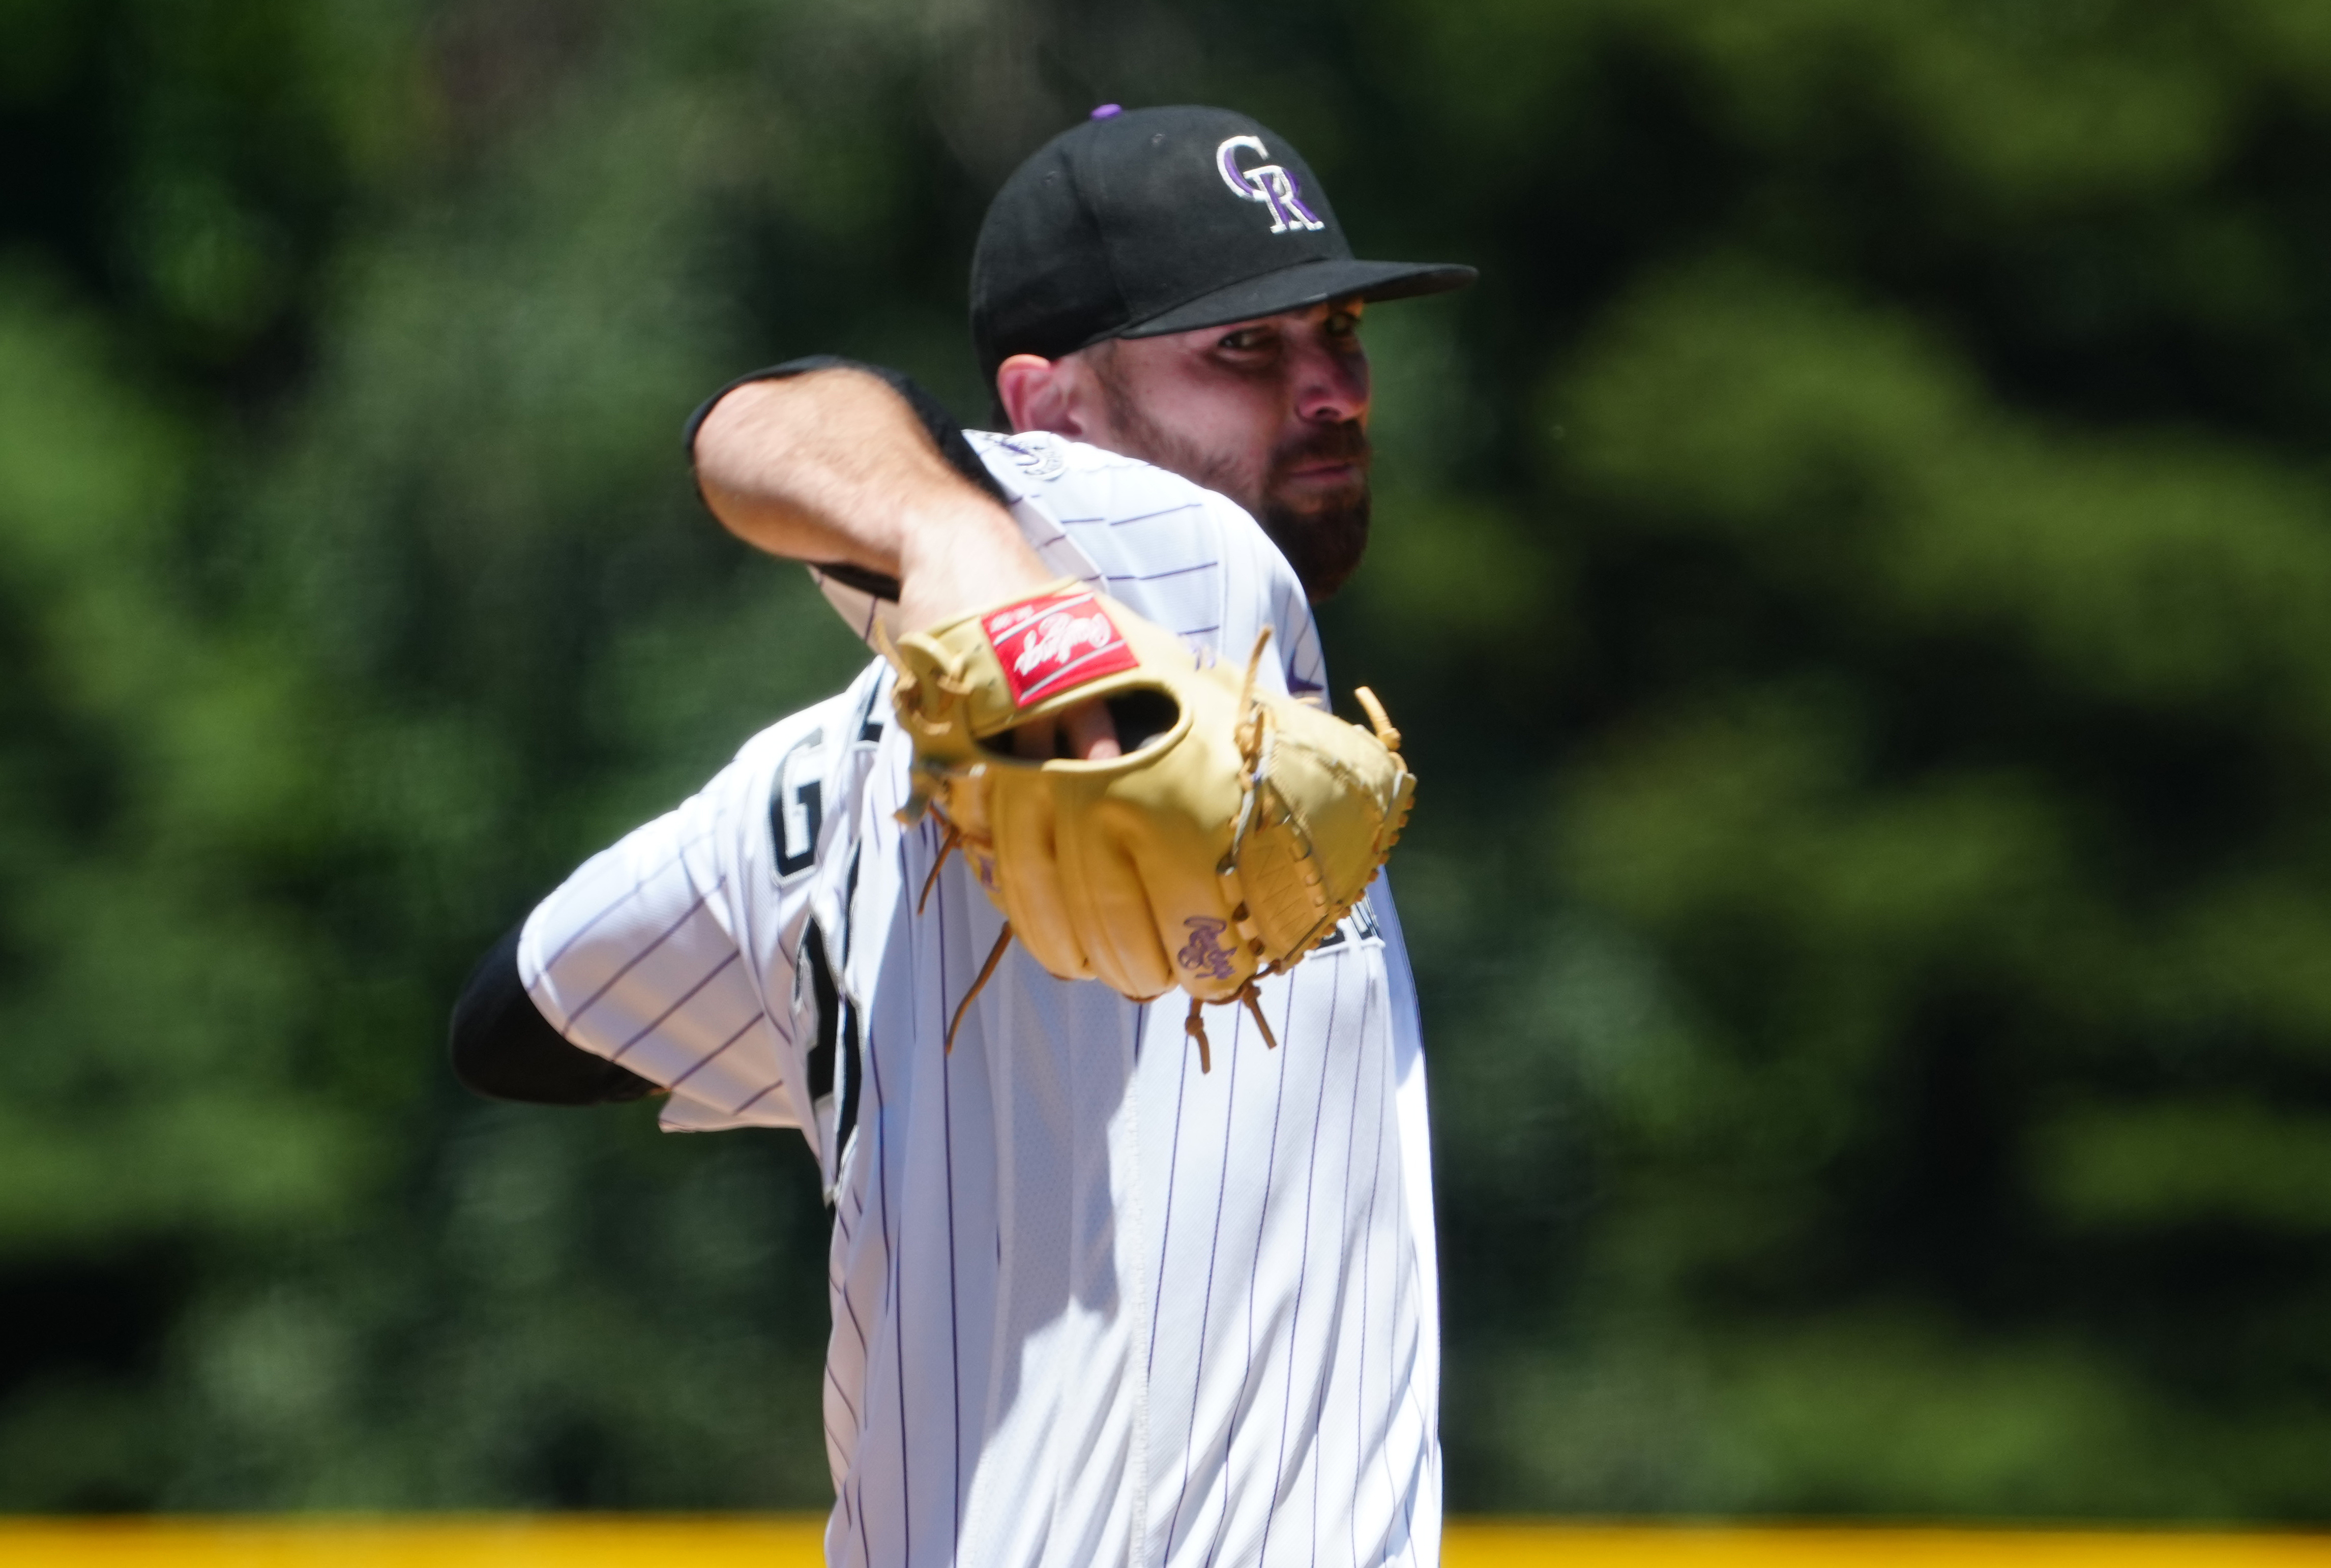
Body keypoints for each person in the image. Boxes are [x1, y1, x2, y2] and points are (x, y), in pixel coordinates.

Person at [449, 103, 1472, 1567]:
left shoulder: (795, 793)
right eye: (1244, 349)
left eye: (1342, 332)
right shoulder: (1185, 551)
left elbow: (516, 1021)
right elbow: (770, 419)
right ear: (1045, 415)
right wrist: (970, 556)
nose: (1329, 390)